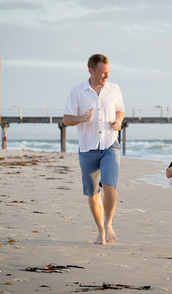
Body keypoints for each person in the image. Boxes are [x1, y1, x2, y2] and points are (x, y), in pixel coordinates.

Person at [63, 54, 125, 245]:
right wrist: (81, 118)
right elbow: (66, 119)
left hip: (109, 145)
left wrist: (118, 122)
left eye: (108, 72)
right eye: (103, 73)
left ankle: (108, 224)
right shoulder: (77, 92)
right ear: (91, 70)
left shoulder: (114, 89)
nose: (106, 76)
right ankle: (100, 231)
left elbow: (120, 110)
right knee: (92, 194)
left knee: (110, 187)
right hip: (87, 148)